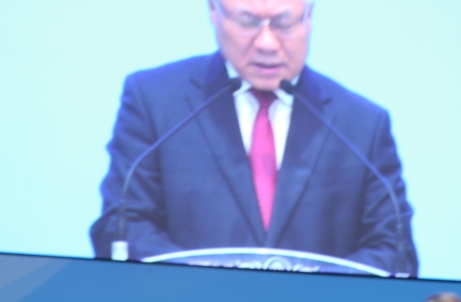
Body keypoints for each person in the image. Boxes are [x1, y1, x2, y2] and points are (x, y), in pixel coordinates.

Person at [91, 0, 417, 276]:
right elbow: (123, 227)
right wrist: (205, 284)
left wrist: (309, 293)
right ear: (213, 12)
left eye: (284, 23)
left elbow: (393, 249)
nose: (267, 43)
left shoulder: (361, 124)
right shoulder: (154, 100)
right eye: (248, 22)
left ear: (309, 17)